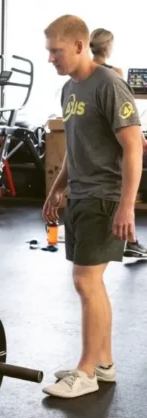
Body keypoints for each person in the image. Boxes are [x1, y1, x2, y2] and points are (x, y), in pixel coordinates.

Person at [42, 15, 144, 399]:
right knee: (91, 283)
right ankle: (103, 364)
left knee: (86, 281)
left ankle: (86, 371)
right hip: (81, 195)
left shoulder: (110, 85)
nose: (51, 58)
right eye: (49, 50)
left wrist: (126, 206)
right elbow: (74, 146)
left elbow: (134, 146)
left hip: (105, 196)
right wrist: (56, 189)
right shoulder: (70, 89)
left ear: (80, 46)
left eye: (56, 51)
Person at [89, 27, 147, 258]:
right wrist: (140, 138)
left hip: (94, 145)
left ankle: (130, 240)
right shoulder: (114, 73)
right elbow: (126, 113)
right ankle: (129, 240)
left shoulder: (85, 74)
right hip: (115, 143)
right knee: (124, 192)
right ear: (108, 47)